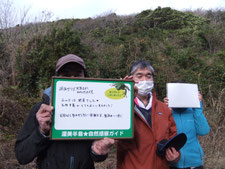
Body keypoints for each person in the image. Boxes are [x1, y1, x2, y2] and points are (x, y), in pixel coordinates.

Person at [15, 54, 115, 169]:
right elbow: (22, 156)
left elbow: (97, 156)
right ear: (56, 79)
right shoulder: (41, 111)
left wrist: (98, 151)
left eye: (77, 75)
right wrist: (42, 132)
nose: (72, 79)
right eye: (66, 75)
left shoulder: (96, 110)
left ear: (86, 78)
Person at [117, 60, 180, 169]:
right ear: (131, 79)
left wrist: (176, 156)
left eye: (148, 76)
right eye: (139, 76)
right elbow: (114, 131)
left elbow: (173, 138)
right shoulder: (121, 106)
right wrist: (123, 98)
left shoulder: (164, 108)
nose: (144, 80)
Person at [164, 82, 210, 169]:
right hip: (173, 163)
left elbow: (203, 131)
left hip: (194, 163)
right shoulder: (166, 112)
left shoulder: (193, 111)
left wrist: (197, 106)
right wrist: (165, 111)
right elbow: (161, 135)